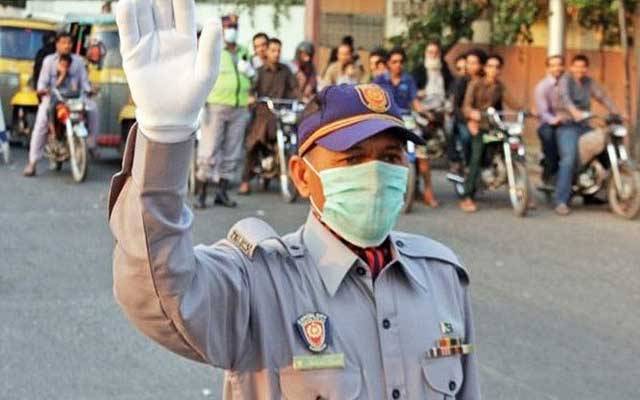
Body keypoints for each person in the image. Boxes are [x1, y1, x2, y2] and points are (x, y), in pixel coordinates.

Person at [111, 2, 481, 398]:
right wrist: (165, 137)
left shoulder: (442, 277)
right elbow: (160, 295)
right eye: (353, 158)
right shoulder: (258, 283)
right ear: (303, 176)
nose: (375, 174)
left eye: (390, 158)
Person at [195, 14, 253, 209]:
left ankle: (222, 193)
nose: (232, 29)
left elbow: (254, 76)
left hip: (240, 106)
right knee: (209, 150)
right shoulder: (213, 51)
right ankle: (201, 193)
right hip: (216, 106)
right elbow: (201, 74)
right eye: (229, 26)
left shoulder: (244, 51)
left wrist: (251, 73)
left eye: (235, 25)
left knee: (232, 152)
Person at [553, 54, 622, 215]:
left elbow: (602, 96)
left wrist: (616, 112)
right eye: (576, 66)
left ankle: (601, 193)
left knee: (606, 149)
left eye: (583, 67)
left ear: (586, 68)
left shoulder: (588, 82)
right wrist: (574, 112)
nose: (580, 70)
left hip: (584, 125)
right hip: (567, 126)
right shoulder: (565, 81)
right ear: (571, 67)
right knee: (569, 160)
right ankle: (561, 201)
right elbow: (566, 98)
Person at [23, 31, 99, 177]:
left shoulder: (78, 62)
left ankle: (92, 144)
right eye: (63, 43)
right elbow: (41, 85)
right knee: (41, 123)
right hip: (53, 98)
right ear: (57, 44)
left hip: (75, 99)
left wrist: (90, 90)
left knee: (93, 108)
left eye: (69, 43)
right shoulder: (48, 61)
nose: (67, 46)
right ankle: (32, 163)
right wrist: (43, 91)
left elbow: (84, 82)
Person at [374, 47, 439, 207]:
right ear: (388, 63)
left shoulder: (408, 80)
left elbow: (415, 102)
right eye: (394, 62)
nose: (398, 65)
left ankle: (428, 191)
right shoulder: (379, 81)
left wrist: (426, 113)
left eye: (401, 62)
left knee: (422, 154)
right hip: (387, 121)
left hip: (407, 120)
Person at [460, 54, 521, 213]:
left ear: (500, 70)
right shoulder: (475, 84)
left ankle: (522, 189)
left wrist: (527, 110)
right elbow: (466, 106)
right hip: (479, 126)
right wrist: (472, 115)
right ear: (485, 68)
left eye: (497, 67)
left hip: (494, 126)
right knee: (477, 157)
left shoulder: (500, 87)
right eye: (490, 66)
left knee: (514, 145)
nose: (493, 70)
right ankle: (467, 196)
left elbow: (513, 102)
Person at [238, 37, 298, 195]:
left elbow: (294, 89)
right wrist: (251, 97)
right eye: (273, 50)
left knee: (294, 139)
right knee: (252, 142)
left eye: (279, 51)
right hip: (263, 114)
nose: (276, 54)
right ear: (267, 52)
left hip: (282, 114)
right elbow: (251, 90)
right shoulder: (259, 72)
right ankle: (245, 181)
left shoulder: (286, 71)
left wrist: (299, 98)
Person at [450, 49, 487, 170]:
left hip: (484, 119)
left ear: (482, 65)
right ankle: (467, 165)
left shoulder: (486, 81)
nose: (470, 66)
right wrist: (468, 120)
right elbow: (456, 106)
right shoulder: (461, 81)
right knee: (466, 136)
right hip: (463, 120)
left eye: (474, 63)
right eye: (468, 62)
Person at [534, 55, 566, 187]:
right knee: (549, 137)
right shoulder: (542, 86)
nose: (557, 68)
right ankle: (551, 173)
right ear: (548, 68)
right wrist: (554, 120)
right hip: (547, 123)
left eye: (559, 64)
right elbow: (543, 112)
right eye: (553, 65)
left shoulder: (568, 84)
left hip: (567, 122)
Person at [413, 40, 454, 105]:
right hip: (424, 104)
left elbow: (452, 85)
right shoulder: (419, 71)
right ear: (425, 53)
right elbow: (410, 90)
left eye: (436, 52)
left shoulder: (445, 69)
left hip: (443, 103)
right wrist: (417, 93)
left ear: (440, 54)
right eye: (430, 52)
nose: (433, 55)